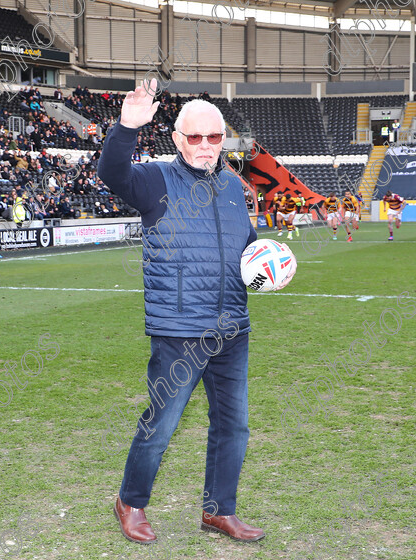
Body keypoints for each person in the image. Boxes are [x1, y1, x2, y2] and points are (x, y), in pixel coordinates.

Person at [97, 80, 295, 546]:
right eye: (195, 137)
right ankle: (131, 501)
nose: (206, 145)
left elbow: (243, 247)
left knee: (234, 425)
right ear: (177, 139)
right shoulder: (154, 181)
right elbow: (112, 172)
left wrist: (270, 257)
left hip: (233, 327)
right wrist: (127, 126)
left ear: (223, 139)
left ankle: (218, 511)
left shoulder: (231, 184)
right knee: (161, 424)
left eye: (214, 137)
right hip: (180, 330)